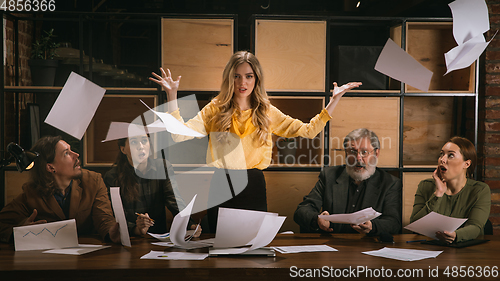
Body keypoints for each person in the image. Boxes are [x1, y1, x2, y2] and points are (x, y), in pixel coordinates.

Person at [150, 50, 361, 232]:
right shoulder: (215, 109)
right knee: (219, 251)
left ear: (256, 78)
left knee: (252, 250)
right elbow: (179, 134)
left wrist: (334, 100)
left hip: (253, 186)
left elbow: (309, 131)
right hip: (220, 185)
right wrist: (172, 95)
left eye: (249, 76)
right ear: (229, 78)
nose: (243, 83)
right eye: (237, 76)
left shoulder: (267, 112)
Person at [0, 136, 120, 243]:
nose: (76, 155)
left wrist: (111, 232)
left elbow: (104, 219)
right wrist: (21, 230)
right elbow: (2, 224)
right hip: (48, 260)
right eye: (67, 153)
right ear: (51, 167)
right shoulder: (32, 193)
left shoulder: (93, 182)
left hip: (88, 256)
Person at [294, 128, 402, 235]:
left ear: (376, 153)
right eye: (352, 152)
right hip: (332, 245)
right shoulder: (329, 176)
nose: (358, 158)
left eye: (364, 152)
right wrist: (317, 220)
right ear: (346, 153)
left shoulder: (390, 183)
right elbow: (302, 211)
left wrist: (372, 227)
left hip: (368, 245)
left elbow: (394, 223)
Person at [103, 135, 201, 237]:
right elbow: (113, 216)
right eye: (134, 142)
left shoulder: (162, 168)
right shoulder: (112, 176)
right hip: (130, 237)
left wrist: (190, 224)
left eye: (144, 141)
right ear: (123, 149)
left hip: (159, 238)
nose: (141, 146)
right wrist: (136, 228)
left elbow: (175, 201)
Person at [410, 136, 491, 243]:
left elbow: (476, 226)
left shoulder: (480, 190)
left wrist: (456, 235)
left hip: (467, 250)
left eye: (451, 155)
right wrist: (438, 194)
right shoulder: (425, 186)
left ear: (466, 163)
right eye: (441, 154)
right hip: (430, 248)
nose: (442, 160)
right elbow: (415, 224)